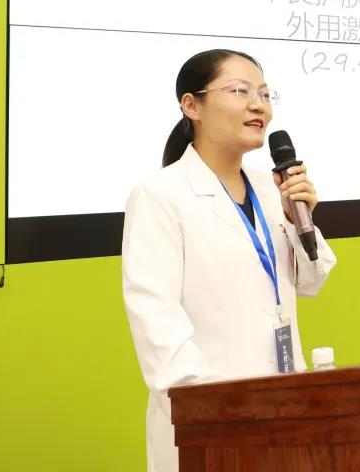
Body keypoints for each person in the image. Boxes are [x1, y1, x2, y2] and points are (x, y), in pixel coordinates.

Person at [121, 49, 337, 472]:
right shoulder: (159, 196)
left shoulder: (270, 188)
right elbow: (157, 325)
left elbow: (312, 280)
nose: (259, 105)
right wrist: (225, 413)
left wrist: (300, 218)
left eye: (265, 94)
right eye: (240, 91)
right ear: (192, 105)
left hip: (286, 410)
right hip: (213, 430)